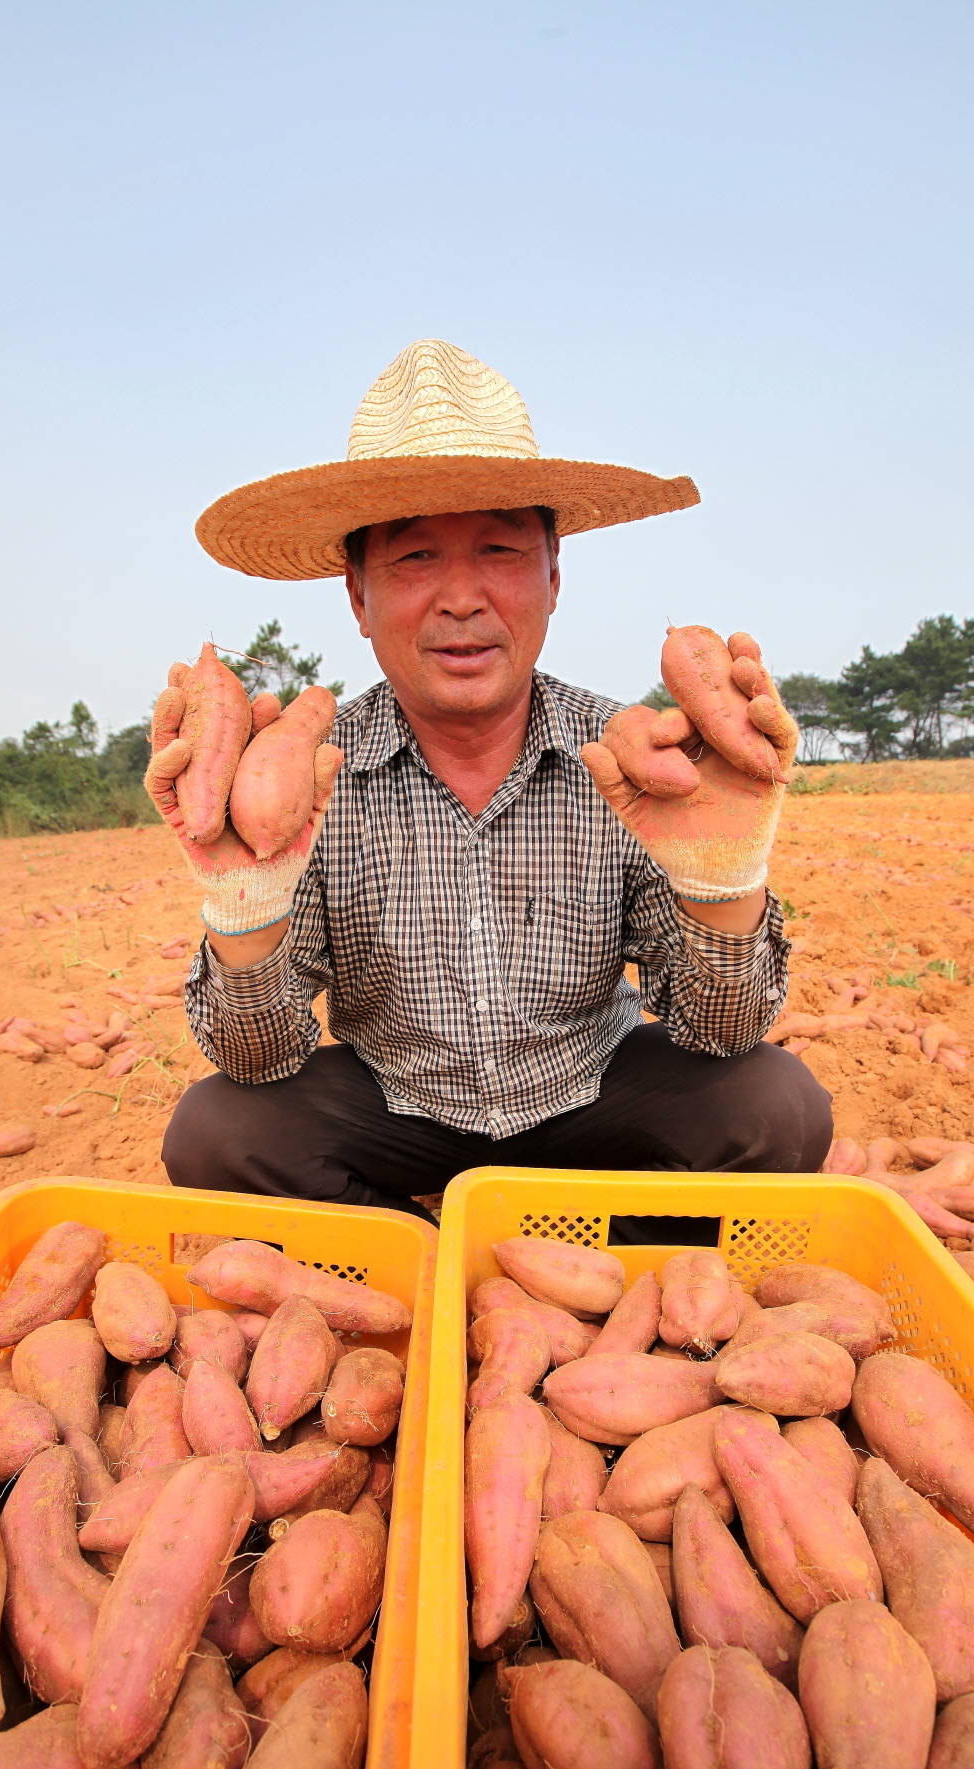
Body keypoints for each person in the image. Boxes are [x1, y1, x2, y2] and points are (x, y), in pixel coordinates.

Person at [153, 340, 831, 1228]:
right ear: (357, 597)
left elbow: (722, 1031)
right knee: (216, 1132)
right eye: (415, 559)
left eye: (501, 550)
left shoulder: (627, 756)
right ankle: (428, 1250)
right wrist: (244, 912)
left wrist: (725, 884)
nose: (462, 598)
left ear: (553, 576)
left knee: (775, 1108)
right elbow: (260, 1056)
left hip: (592, 1094)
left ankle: (580, 1258)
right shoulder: (314, 774)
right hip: (397, 1103)